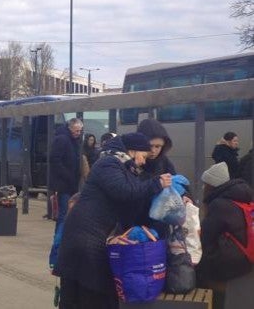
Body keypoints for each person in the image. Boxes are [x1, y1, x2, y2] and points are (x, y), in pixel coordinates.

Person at [55, 133, 172, 309]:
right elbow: (125, 192)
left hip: (92, 237)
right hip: (86, 238)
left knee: (87, 293)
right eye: (144, 156)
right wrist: (156, 184)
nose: (143, 162)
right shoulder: (109, 163)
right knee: (90, 292)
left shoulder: (122, 167)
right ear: (133, 151)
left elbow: (131, 197)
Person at [196, 162, 253, 308]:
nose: (203, 187)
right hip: (245, 255)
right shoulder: (242, 197)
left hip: (231, 260)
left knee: (199, 266)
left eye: (205, 184)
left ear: (212, 185)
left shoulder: (219, 204)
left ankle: (212, 301)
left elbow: (206, 236)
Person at [48, 118, 83, 270]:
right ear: (70, 128)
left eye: (80, 131)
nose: (78, 133)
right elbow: (54, 160)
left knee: (65, 216)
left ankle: (59, 247)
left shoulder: (73, 140)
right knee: (64, 216)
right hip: (64, 185)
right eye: (76, 130)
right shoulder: (62, 140)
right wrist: (68, 175)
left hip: (70, 184)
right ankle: (57, 251)